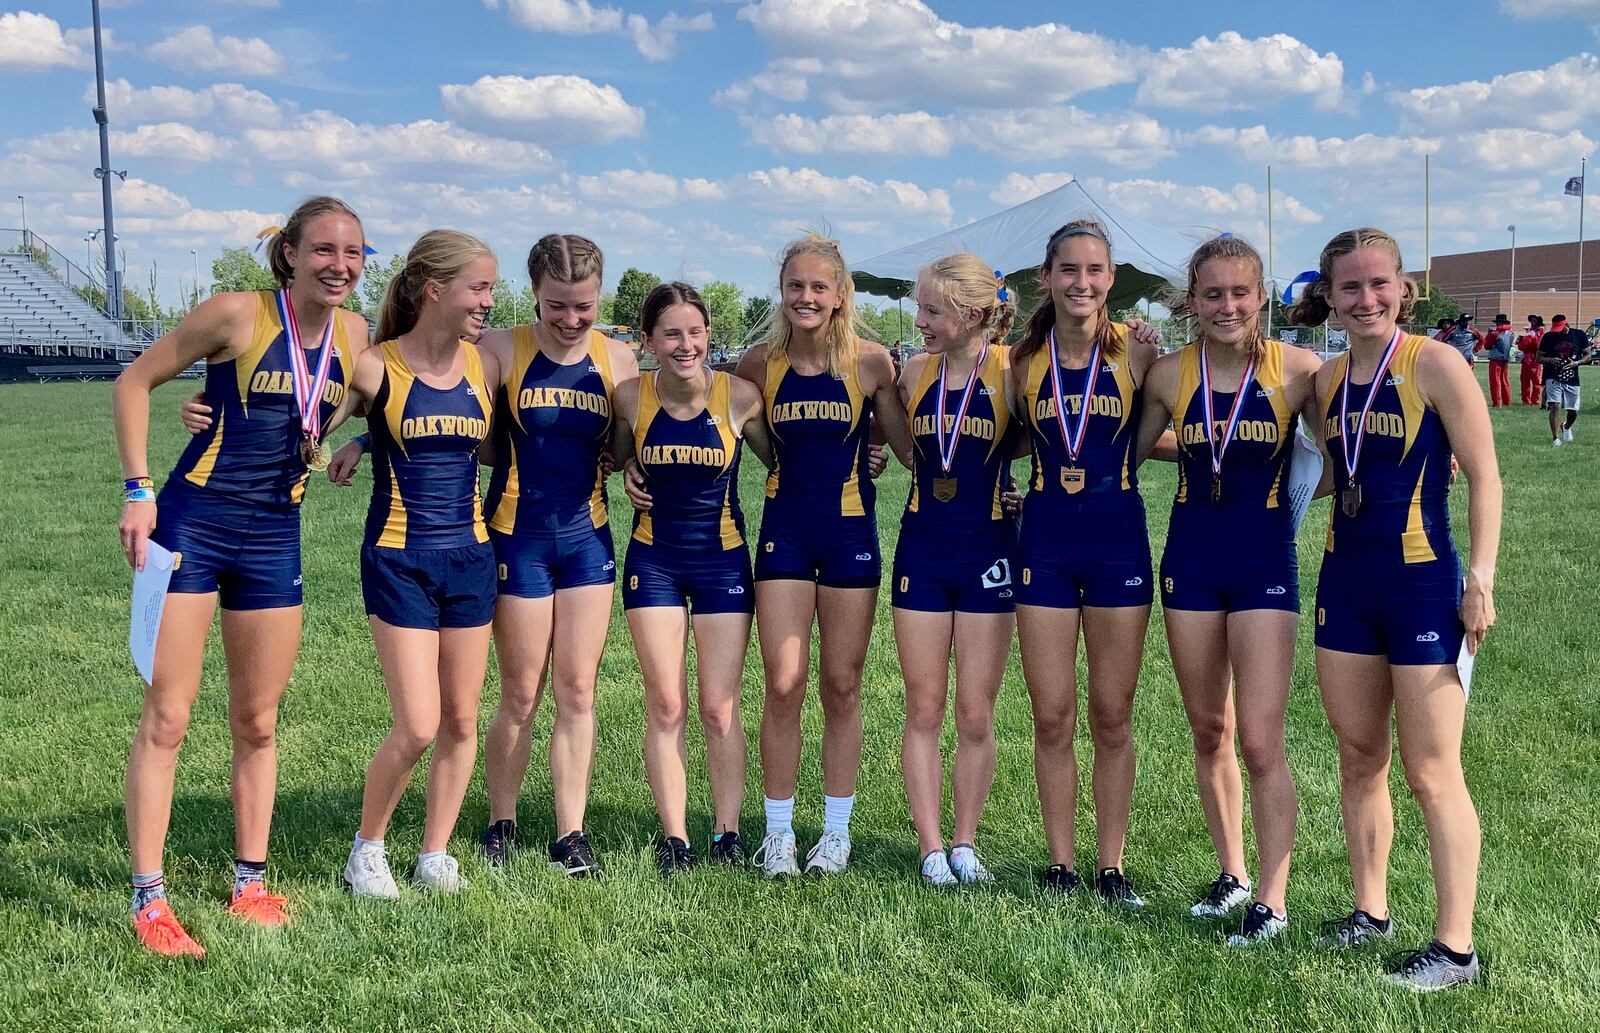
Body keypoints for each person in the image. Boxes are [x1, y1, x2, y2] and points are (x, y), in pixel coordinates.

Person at [112, 196, 370, 956]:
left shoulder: (356, 334)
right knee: (169, 716)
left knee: (258, 722)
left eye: (353, 253)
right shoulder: (234, 314)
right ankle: (149, 898)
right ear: (289, 252)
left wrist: (358, 441)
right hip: (193, 523)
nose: (339, 265)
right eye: (323, 250)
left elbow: (386, 393)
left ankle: (249, 882)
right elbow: (133, 381)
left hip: (274, 538)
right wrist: (137, 488)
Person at [335, 235, 639, 875]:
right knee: (519, 694)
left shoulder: (620, 359)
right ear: (534, 296)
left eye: (583, 305)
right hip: (511, 535)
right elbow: (429, 396)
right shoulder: (498, 349)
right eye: (556, 305)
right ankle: (501, 819)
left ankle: (571, 833)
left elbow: (635, 432)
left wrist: (634, 464)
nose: (571, 319)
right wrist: (365, 441)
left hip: (589, 540)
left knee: (578, 688)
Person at [1291, 227, 1500, 990]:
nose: (1367, 298)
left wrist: (1481, 574)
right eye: (1351, 287)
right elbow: (1324, 472)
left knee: (1432, 770)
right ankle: (1369, 910)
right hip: (1345, 581)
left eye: (1380, 284)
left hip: (1421, 583)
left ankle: (1455, 948)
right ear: (1331, 296)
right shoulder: (1325, 380)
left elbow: (1485, 476)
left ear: (1403, 288)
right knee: (1358, 756)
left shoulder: (1436, 363)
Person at [1136, 235, 1322, 944]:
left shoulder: (1297, 370)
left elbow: (1345, 451)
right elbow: (1120, 450)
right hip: (1190, 559)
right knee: (1210, 727)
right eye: (1212, 293)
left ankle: (1271, 900)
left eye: (1240, 292)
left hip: (1263, 564)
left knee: (1263, 738)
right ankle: (1233, 872)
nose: (1227, 306)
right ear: (1192, 297)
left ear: (1260, 295)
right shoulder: (1166, 373)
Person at [734, 235, 914, 877]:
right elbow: (732, 435)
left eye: (819, 287)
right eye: (795, 286)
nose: (806, 297)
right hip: (785, 533)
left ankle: (835, 833)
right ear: (781, 291)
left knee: (841, 684)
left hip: (849, 540)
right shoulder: (757, 363)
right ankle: (778, 832)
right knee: (783, 683)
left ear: (840, 295)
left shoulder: (871, 364)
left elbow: (909, 449)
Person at [335, 230, 500, 898]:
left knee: (462, 719)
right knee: (419, 723)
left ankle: (435, 852)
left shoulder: (486, 365)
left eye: (490, 288)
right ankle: (365, 850)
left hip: (473, 557)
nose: (488, 301)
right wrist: (353, 435)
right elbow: (310, 425)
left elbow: (486, 447)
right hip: (399, 558)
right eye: (478, 288)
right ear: (434, 290)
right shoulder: (374, 365)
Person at [1007, 218, 1162, 907]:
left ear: (1111, 278)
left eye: (1095, 271)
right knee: (1051, 713)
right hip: (1043, 539)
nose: (1082, 282)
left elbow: (1183, 427)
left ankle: (1111, 865)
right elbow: (998, 441)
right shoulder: (1020, 359)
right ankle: (1062, 863)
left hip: (1116, 540)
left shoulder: (1140, 354)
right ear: (1046, 277)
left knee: (1113, 711)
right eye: (1068, 270)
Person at [609, 283, 774, 874]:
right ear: (649, 340)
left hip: (723, 562)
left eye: (695, 333)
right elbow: (615, 454)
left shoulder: (740, 397)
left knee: (719, 707)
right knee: (666, 704)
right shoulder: (630, 396)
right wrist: (627, 466)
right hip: (652, 561)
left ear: (708, 335)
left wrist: (869, 456)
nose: (686, 345)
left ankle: (727, 833)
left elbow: (785, 464)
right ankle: (675, 837)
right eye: (672, 334)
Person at [893, 254, 1019, 886]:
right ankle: (931, 846)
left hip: (990, 554)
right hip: (922, 551)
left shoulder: (1015, 372)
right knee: (925, 708)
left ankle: (966, 842)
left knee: (975, 711)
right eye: (919, 308)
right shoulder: (913, 373)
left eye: (931, 311)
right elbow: (890, 442)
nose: (919, 321)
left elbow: (1049, 437)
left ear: (973, 315)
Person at [1539, 314, 1589, 445]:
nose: (1558, 332)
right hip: (1552, 376)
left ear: (1567, 325)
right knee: (1555, 405)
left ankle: (1566, 427)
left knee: (1573, 411)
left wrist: (1577, 363)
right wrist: (1549, 360)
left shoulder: (1579, 335)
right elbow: (1538, 357)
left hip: (1572, 377)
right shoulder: (1548, 337)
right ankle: (1555, 438)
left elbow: (1588, 355)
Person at [1483, 314, 1515, 408]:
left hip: (1495, 359)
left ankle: (1497, 403)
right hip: (1505, 359)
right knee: (1504, 380)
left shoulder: (1495, 333)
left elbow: (1487, 346)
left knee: (1495, 381)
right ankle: (1506, 401)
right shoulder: (1510, 333)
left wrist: (1489, 334)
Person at [1518, 315, 1544, 406]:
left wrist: (1528, 339)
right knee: (1524, 380)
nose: (1532, 323)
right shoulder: (1530, 332)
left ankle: (1535, 400)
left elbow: (1538, 344)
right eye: (1532, 321)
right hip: (1526, 359)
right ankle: (1525, 400)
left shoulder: (1540, 332)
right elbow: (1521, 346)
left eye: (1534, 321)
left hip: (1535, 360)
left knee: (1536, 381)